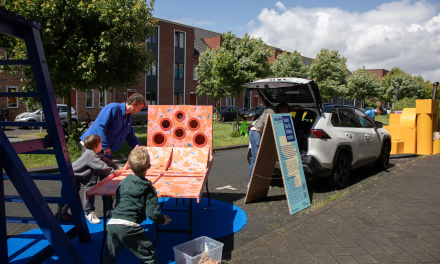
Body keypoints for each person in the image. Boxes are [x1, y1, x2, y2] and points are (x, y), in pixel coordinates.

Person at [80, 93, 146, 224]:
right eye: (139, 108)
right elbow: (100, 126)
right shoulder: (113, 108)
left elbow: (130, 135)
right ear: (133, 104)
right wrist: (104, 146)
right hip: (92, 147)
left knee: (109, 179)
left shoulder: (127, 119)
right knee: (91, 180)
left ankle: (108, 210)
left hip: (105, 149)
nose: (139, 111)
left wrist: (136, 145)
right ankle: (89, 211)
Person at [105, 147, 171, 264]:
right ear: (148, 167)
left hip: (112, 224)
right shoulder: (149, 189)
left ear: (129, 165)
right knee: (149, 255)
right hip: (129, 226)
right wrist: (162, 220)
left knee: (110, 257)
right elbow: (152, 214)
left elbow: (119, 202)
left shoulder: (123, 183)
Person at [55, 135, 119, 221]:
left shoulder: (92, 153)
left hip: (68, 174)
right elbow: (101, 167)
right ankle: (62, 212)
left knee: (65, 194)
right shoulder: (91, 155)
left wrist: (118, 167)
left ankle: (59, 213)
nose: (102, 145)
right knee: (71, 195)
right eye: (101, 144)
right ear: (96, 145)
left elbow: (105, 160)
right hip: (72, 176)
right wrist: (115, 172)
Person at [248, 102, 290, 182]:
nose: (286, 113)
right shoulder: (271, 111)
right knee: (256, 159)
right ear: (283, 109)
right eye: (286, 111)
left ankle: (257, 181)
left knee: (260, 159)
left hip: (259, 134)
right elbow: (268, 124)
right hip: (256, 133)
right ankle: (251, 182)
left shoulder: (275, 112)